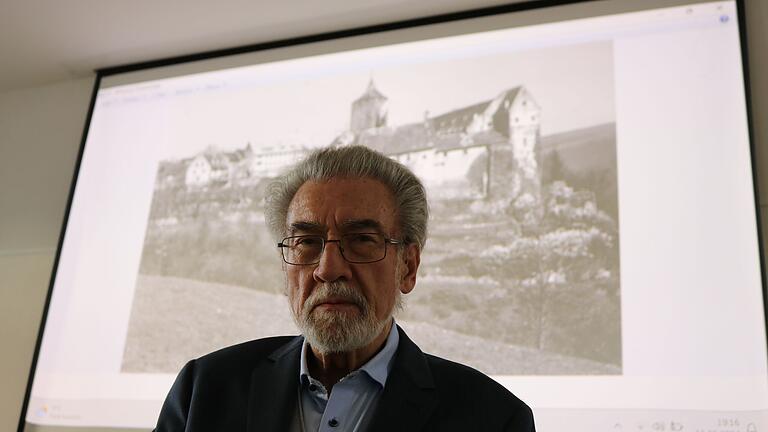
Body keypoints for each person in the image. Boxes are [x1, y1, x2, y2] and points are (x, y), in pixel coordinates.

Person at [154, 145, 535, 431]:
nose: (328, 269)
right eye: (306, 242)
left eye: (362, 240)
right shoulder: (203, 390)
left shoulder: (494, 419)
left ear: (408, 266)